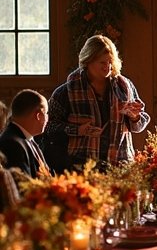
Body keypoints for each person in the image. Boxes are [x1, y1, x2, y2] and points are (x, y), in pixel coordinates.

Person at [44, 35, 150, 171]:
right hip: (81, 166)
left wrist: (135, 117)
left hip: (120, 166)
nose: (108, 67)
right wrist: (77, 130)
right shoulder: (67, 91)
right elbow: (48, 126)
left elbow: (138, 127)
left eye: (110, 62)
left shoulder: (125, 87)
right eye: (102, 62)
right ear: (88, 61)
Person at [0, 89, 50, 177]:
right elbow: (24, 185)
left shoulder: (27, 137)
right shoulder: (12, 144)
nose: (47, 118)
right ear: (38, 116)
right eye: (46, 113)